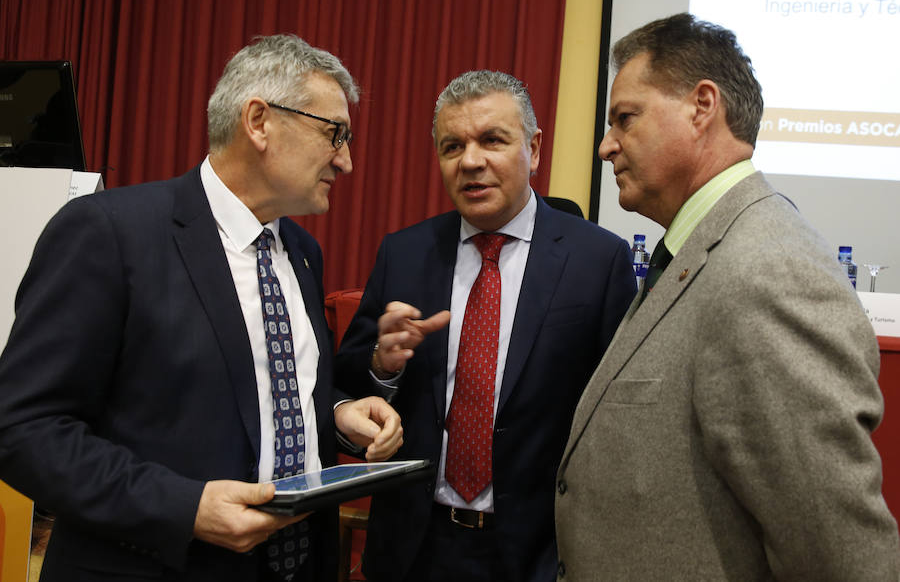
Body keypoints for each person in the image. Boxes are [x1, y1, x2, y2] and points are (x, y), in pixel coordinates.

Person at [0, 35, 404, 582]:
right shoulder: (108, 234)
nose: (347, 161)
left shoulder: (303, 254)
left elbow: (264, 390)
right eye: (334, 133)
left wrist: (335, 414)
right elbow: (24, 429)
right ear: (259, 121)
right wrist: (183, 507)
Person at [554, 13, 900, 580]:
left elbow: (837, 552)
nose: (605, 146)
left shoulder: (769, 272)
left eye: (625, 118)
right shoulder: (703, 253)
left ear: (701, 106)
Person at [334, 70, 637, 582]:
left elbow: (619, 422)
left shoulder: (598, 260)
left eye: (492, 140)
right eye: (452, 146)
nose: (470, 161)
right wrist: (383, 367)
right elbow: (346, 394)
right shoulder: (404, 254)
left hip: (538, 552)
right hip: (416, 547)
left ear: (534, 149)